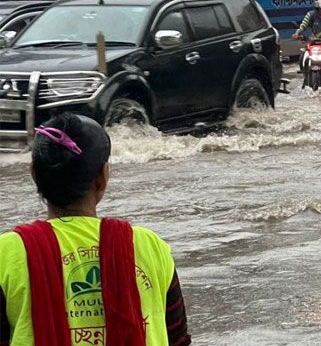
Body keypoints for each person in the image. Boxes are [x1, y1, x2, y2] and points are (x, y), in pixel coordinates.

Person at [0, 113, 190, 346]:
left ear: (34, 174)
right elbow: (178, 340)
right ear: (102, 177)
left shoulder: (6, 254)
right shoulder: (151, 248)